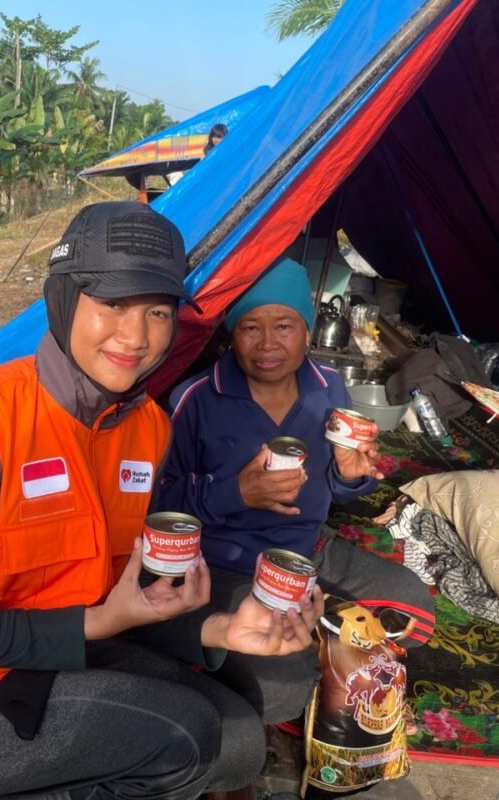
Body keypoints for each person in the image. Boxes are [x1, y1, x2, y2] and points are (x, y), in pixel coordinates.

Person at [0, 203, 323, 800]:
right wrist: (99, 623)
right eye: (112, 305)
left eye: (158, 312)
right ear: (64, 299)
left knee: (254, 723)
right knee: (191, 735)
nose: (136, 337)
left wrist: (222, 627)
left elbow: (119, 589)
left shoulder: (148, 428)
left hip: (65, 642)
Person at [160, 257, 435, 725]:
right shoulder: (195, 399)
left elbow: (338, 488)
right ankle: (298, 646)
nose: (268, 344)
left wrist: (350, 475)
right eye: (250, 328)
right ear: (231, 334)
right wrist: (235, 493)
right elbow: (158, 506)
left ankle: (315, 634)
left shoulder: (328, 388)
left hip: (306, 551)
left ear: (307, 331)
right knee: (281, 689)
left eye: (284, 325)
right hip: (227, 564)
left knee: (414, 609)